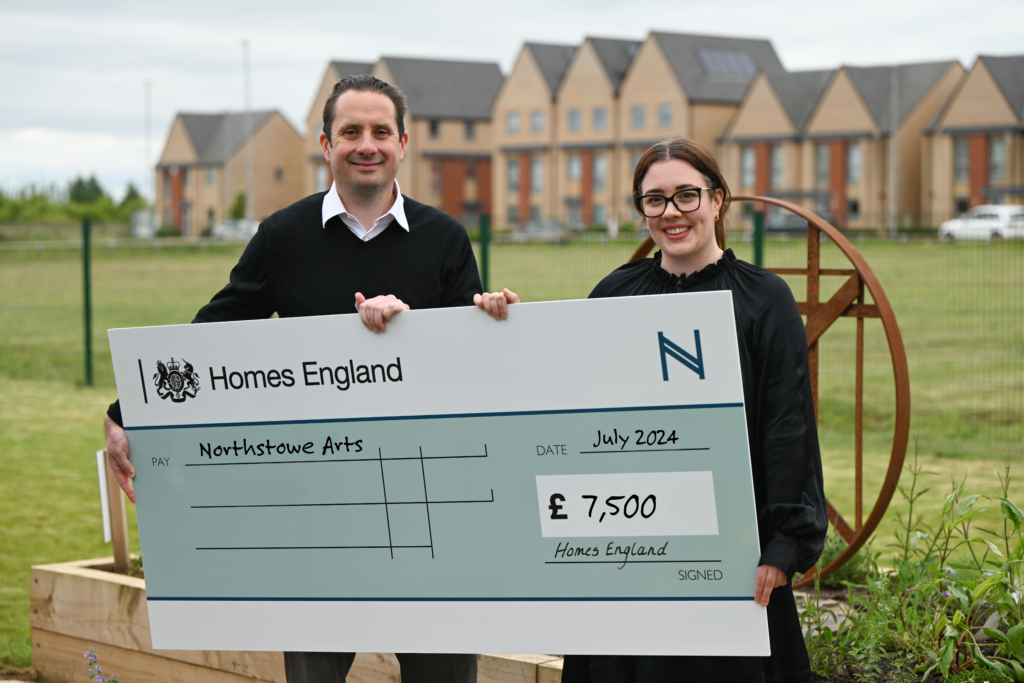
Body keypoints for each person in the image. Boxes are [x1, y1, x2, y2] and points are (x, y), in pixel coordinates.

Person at [102, 74, 518, 683]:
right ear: (326, 144)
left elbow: (468, 368)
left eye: (380, 131)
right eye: (351, 132)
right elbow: (210, 336)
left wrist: (480, 322)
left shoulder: (445, 238)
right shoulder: (282, 237)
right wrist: (126, 409)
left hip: (425, 506)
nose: (366, 144)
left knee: (445, 673)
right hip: (320, 509)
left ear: (403, 143)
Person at [561, 138, 827, 683]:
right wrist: (500, 324)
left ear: (718, 199)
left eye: (686, 195)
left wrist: (782, 544)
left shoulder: (765, 299)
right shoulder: (613, 294)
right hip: (630, 545)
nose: (671, 213)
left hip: (733, 549)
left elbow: (787, 426)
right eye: (654, 200)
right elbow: (574, 410)